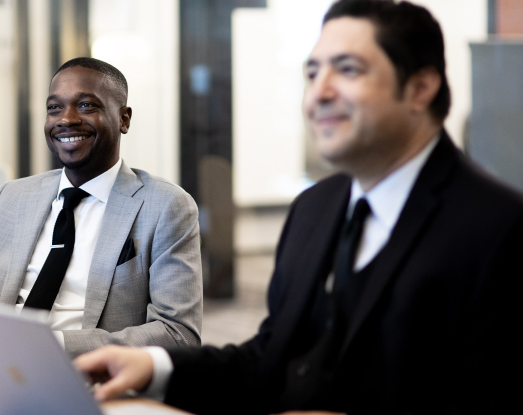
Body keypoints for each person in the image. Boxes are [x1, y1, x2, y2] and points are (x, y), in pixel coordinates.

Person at [74, 1, 523, 413]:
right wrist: (154, 368)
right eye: (312, 73)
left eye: (347, 70)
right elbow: (270, 359)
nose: (319, 92)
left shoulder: (497, 228)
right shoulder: (315, 209)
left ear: (421, 87)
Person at [0, 57, 203, 358]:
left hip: (88, 376)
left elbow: (178, 333)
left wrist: (49, 345)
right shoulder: (10, 197)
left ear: (124, 119)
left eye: (87, 105)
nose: (66, 119)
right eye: (54, 107)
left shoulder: (166, 206)